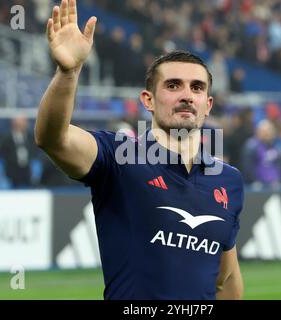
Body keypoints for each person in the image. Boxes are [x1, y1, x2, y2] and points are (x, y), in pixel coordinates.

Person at [35, 0, 244, 300]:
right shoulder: (120, 157)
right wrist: (69, 73)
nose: (187, 95)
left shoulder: (229, 180)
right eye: (173, 85)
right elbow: (52, 139)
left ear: (207, 105)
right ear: (147, 100)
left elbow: (227, 279)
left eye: (197, 88)